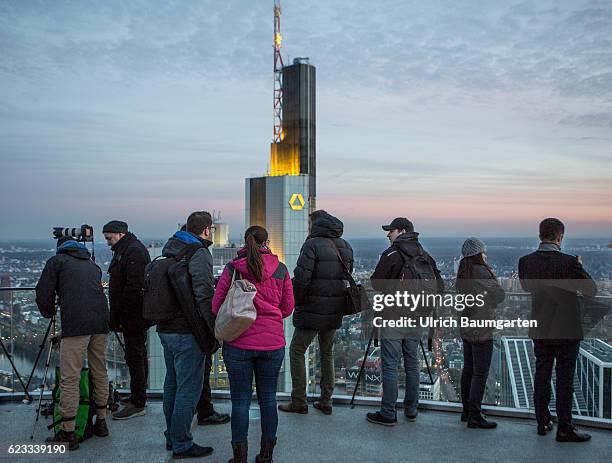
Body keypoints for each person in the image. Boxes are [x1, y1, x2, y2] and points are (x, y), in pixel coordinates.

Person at [212, 226, 294, 463]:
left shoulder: (233, 268)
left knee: (240, 400)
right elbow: (287, 308)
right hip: (272, 345)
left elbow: (217, 305)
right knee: (268, 398)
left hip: (238, 343)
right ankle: (266, 455)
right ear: (267, 242)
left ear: (245, 241)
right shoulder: (280, 269)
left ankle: (239, 457)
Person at [519, 218, 597, 442]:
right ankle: (565, 427)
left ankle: (542, 422)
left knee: (541, 375)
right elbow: (590, 290)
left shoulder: (526, 262)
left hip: (541, 327)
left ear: (540, 235)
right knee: (565, 379)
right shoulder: (570, 263)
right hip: (566, 328)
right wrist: (578, 268)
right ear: (560, 237)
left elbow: (526, 287)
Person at [366, 217, 444, 426]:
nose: (387, 235)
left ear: (401, 231)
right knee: (412, 365)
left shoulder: (392, 254)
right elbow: (440, 286)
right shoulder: (424, 255)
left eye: (390, 231)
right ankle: (411, 409)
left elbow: (376, 282)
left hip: (393, 316)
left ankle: (388, 413)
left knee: (390, 366)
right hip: (418, 317)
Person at [35, 237, 110, 450]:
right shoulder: (91, 264)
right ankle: (101, 422)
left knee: (70, 377)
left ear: (61, 248)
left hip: (76, 326)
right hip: (101, 323)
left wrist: (49, 312)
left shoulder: (57, 262)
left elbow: (43, 293)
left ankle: (68, 433)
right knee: (100, 371)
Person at [279, 210, 353, 416]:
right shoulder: (345, 245)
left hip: (312, 307)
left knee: (296, 351)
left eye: (309, 223)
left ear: (315, 224)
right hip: (335, 309)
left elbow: (302, 278)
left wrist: (298, 301)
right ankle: (326, 400)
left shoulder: (311, 244)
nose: (308, 227)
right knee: (327, 353)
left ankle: (299, 401)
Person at [158, 211, 216, 458]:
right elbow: (203, 293)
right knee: (188, 389)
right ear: (206, 230)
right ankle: (182, 442)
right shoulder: (198, 252)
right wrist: (214, 328)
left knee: (171, 384)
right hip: (187, 330)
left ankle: (172, 436)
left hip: (166, 329)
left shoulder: (170, 249)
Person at [103, 220, 151, 420]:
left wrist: (122, 315)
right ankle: (137, 396)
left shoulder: (133, 252)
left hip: (133, 316)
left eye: (109, 237)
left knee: (135, 356)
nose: (107, 242)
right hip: (132, 315)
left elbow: (133, 288)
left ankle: (138, 402)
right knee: (135, 356)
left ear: (120, 234)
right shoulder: (127, 250)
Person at [456, 238, 505, 429]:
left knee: (468, 370)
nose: (486, 255)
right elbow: (499, 295)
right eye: (484, 252)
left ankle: (466, 411)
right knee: (480, 373)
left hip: (466, 325)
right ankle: (475, 415)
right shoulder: (481, 271)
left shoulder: (463, 272)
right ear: (478, 253)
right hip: (481, 326)